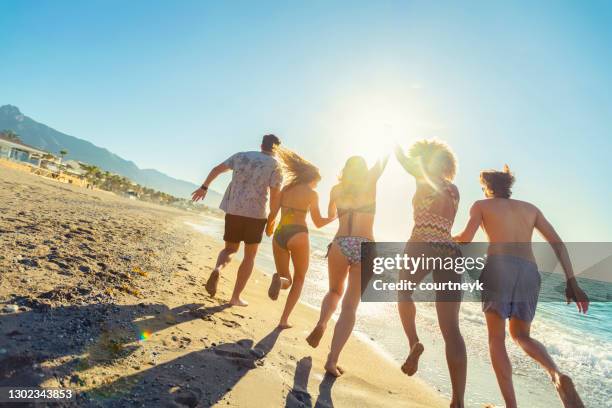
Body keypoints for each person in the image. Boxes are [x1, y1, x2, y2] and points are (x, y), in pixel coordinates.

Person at [454, 165, 589, 408]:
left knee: (497, 339)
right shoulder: (530, 209)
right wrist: (572, 282)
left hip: (498, 267)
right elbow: (557, 243)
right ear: (508, 186)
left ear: (487, 187)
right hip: (528, 271)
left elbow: (466, 237)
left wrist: (445, 237)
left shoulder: (481, 205)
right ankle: (556, 374)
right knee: (522, 335)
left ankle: (511, 406)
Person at [394, 140, 467, 408]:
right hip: (449, 249)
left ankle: (414, 342)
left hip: (421, 244)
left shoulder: (422, 177)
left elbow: (401, 157)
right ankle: (458, 400)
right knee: (452, 330)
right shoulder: (455, 190)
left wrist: (392, 135)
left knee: (403, 292)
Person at [306, 155, 388, 377]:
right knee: (350, 307)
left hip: (340, 243)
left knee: (333, 291)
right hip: (365, 246)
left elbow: (331, 215)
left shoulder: (336, 190)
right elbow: (384, 158)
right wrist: (389, 136)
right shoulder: (370, 183)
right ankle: (332, 360)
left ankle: (322, 323)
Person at [191, 134, 282, 307]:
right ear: (276, 149)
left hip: (234, 210)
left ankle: (218, 269)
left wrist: (204, 187)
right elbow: (275, 194)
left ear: (261, 144)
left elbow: (217, 169)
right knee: (249, 256)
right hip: (256, 215)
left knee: (230, 249)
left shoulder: (241, 156)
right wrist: (272, 217)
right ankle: (235, 297)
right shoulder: (275, 165)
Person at [265, 147, 335, 329]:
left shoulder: (286, 189)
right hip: (298, 234)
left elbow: (273, 212)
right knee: (299, 279)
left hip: (280, 234)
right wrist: (333, 217)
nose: (316, 186)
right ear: (311, 179)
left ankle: (280, 281)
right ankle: (283, 320)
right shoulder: (312, 194)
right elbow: (318, 222)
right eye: (316, 183)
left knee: (285, 278)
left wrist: (269, 226)